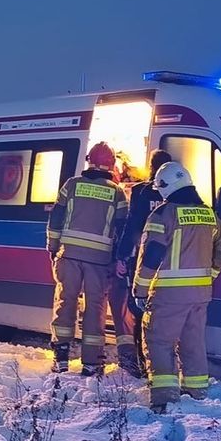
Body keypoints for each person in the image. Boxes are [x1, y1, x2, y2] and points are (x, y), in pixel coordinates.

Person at [133, 162, 221, 412]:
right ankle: (196, 392)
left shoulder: (163, 215)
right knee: (193, 342)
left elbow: (151, 255)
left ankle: (164, 399)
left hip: (169, 294)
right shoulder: (210, 215)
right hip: (201, 294)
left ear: (165, 187)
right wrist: (211, 275)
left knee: (158, 341)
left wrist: (140, 290)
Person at [46, 142, 129, 376]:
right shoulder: (117, 192)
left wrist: (53, 247)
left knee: (66, 301)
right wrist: (118, 258)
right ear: (111, 165)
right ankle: (91, 363)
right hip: (99, 261)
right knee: (95, 307)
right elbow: (122, 228)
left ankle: (61, 357)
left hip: (69, 255)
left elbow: (56, 219)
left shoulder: (71, 185)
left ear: (89, 161)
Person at [112, 149, 172, 376]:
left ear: (152, 168)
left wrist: (121, 256)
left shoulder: (140, 192)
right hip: (170, 263)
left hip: (143, 261)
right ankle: (162, 364)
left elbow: (131, 227)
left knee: (138, 310)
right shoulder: (176, 196)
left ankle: (140, 362)